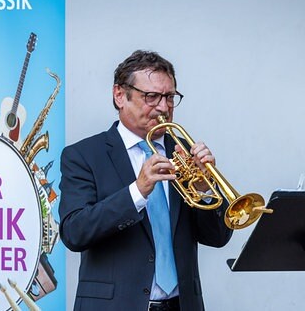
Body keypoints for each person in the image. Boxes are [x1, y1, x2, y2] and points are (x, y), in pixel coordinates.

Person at [58, 50, 233, 311]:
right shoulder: (83, 155)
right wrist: (137, 192)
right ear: (120, 95)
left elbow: (218, 237)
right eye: (151, 96)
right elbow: (74, 233)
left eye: (170, 97)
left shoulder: (184, 151)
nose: (163, 107)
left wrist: (204, 190)